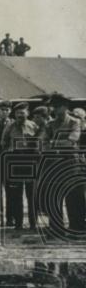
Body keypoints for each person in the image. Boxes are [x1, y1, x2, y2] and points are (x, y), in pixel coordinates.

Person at [42, 93, 84, 232]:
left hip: (71, 163)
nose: (54, 109)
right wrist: (56, 144)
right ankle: (56, 228)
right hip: (54, 163)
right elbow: (42, 144)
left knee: (73, 196)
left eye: (58, 106)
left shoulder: (74, 122)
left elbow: (72, 140)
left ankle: (77, 227)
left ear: (65, 107)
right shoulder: (50, 124)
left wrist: (53, 143)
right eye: (53, 107)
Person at [1, 102, 39, 230]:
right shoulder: (10, 127)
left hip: (30, 160)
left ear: (27, 113)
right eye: (17, 113)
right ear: (14, 114)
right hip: (15, 161)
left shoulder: (34, 126)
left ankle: (34, 223)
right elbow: (3, 142)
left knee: (31, 193)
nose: (20, 115)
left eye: (22, 113)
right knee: (16, 194)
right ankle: (18, 223)